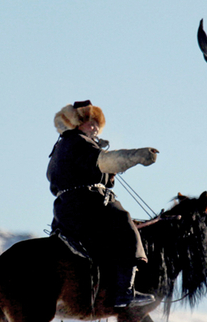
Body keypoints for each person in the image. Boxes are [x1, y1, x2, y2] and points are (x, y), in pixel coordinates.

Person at [47, 100, 158, 308]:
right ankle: (124, 292)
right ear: (75, 123)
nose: (95, 128)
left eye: (97, 124)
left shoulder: (60, 146)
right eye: (90, 123)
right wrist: (138, 156)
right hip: (87, 204)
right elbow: (106, 162)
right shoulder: (79, 142)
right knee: (125, 224)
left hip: (65, 209)